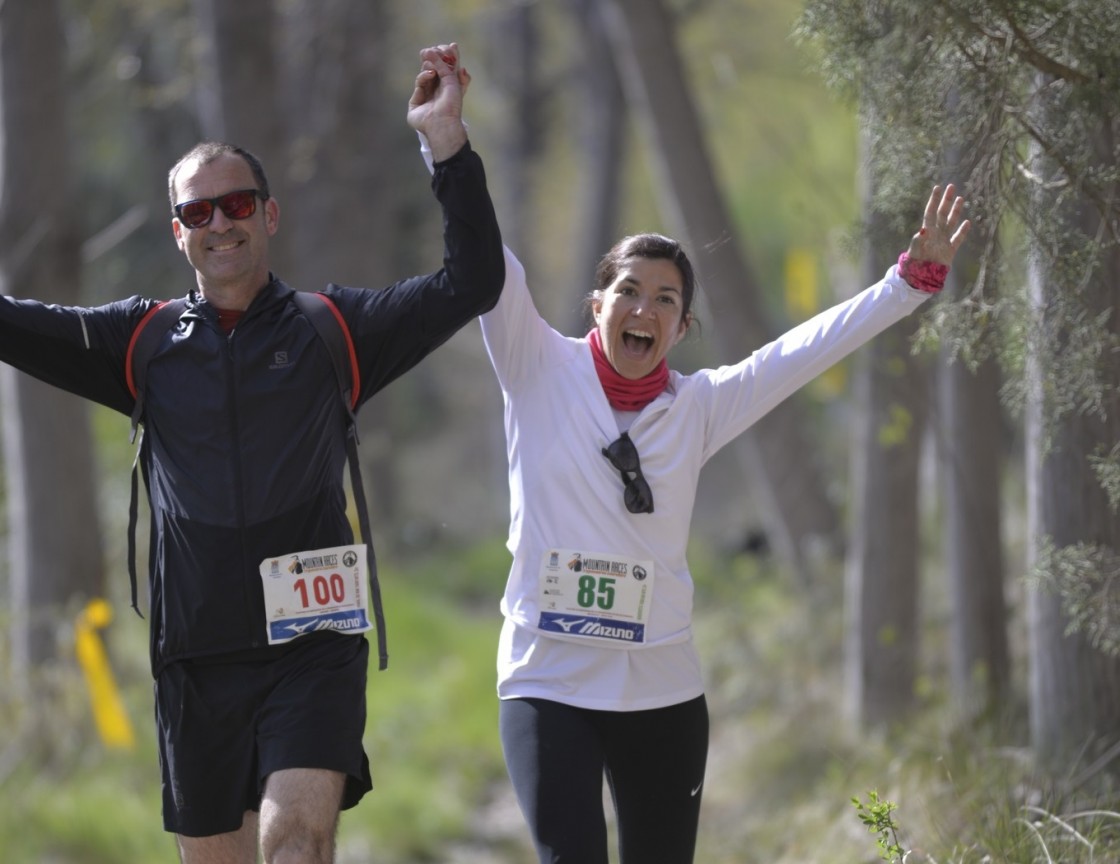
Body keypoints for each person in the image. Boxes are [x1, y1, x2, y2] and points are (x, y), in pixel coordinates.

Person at [0, 43, 502, 864]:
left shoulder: (331, 329)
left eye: (235, 205)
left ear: (268, 214)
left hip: (313, 645)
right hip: (195, 658)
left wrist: (444, 143)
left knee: (295, 844)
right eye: (198, 213)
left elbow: (471, 282)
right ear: (178, 234)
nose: (219, 223)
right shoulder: (142, 341)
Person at [475, 177, 969, 863]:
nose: (644, 308)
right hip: (546, 678)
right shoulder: (535, 366)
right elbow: (485, 259)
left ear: (682, 328)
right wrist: (445, 148)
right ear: (597, 307)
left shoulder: (700, 406)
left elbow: (802, 353)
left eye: (665, 299)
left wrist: (909, 283)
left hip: (662, 691)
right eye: (628, 291)